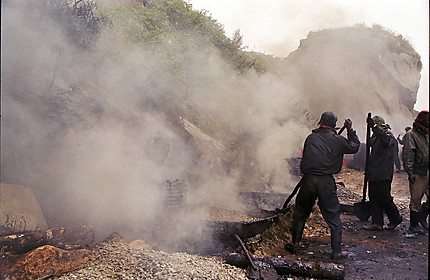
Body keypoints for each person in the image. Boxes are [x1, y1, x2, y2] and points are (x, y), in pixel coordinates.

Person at [287, 111, 360, 260]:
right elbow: (354, 147)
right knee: (333, 216)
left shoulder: (311, 137)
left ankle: (295, 243)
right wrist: (350, 131)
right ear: (334, 125)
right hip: (325, 181)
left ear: (321, 122)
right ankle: (337, 252)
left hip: (308, 180)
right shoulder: (338, 140)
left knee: (300, 213)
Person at [363, 116, 403, 231]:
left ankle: (395, 218)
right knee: (373, 197)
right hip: (374, 172)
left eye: (375, 125)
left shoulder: (388, 135)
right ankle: (377, 223)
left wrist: (374, 127)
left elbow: (385, 141)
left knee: (384, 197)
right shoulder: (376, 137)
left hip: (383, 173)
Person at [402, 110, 429, 233]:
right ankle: (414, 225)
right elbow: (408, 155)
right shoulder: (411, 134)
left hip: (428, 169)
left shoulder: (427, 133)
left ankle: (422, 217)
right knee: (416, 199)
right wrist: (410, 172)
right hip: (418, 171)